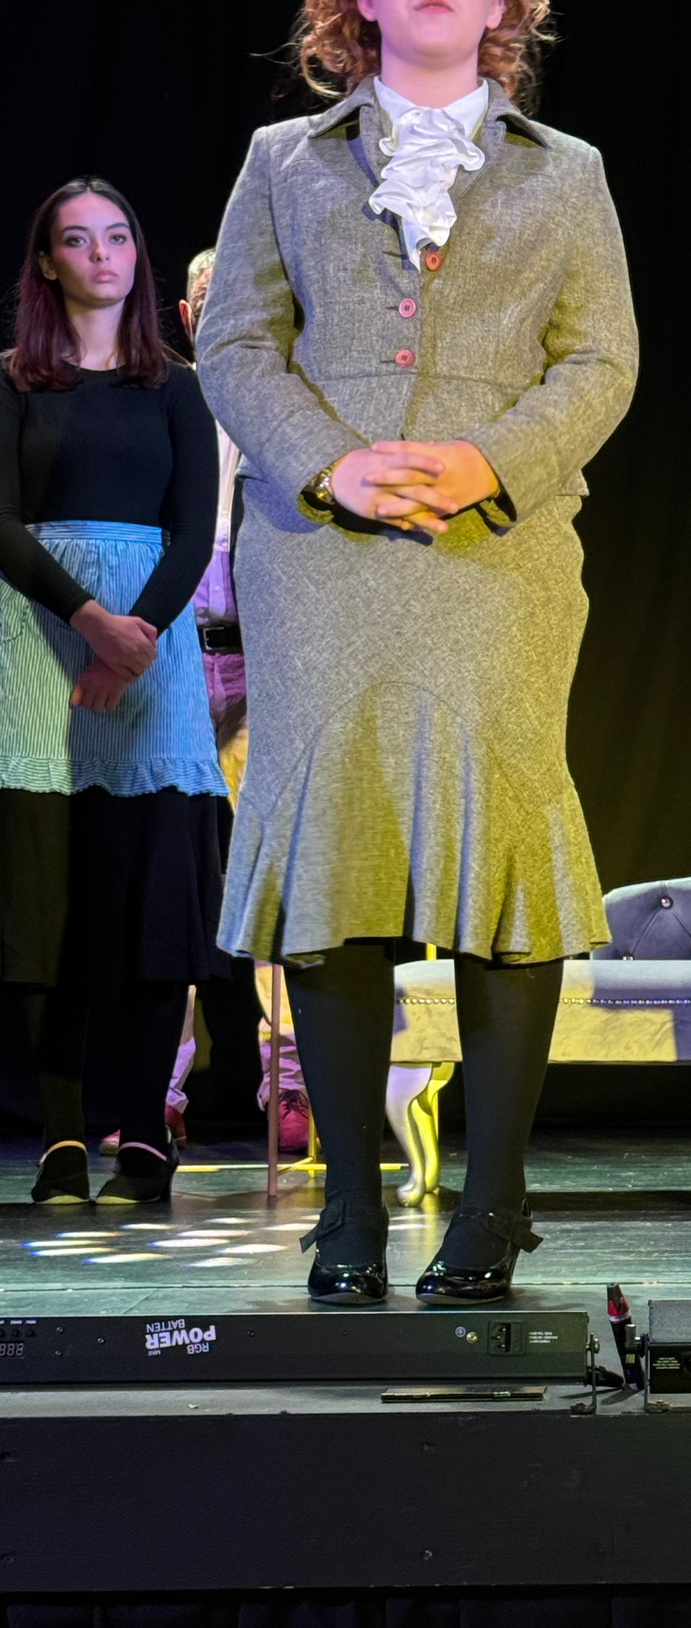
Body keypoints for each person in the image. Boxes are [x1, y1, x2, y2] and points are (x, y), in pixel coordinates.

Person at [198, 0, 638, 1305]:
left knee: (501, 865)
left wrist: (479, 460)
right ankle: (347, 1212)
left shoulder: (563, 171)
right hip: (323, 561)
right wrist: (332, 466)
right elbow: (240, 343)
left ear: (503, 2)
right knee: (341, 864)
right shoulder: (287, 160)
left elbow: (601, 361)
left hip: (498, 557)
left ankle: (493, 1206)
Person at [0, 178, 224, 1203]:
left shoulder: (174, 387)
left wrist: (130, 640)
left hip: (152, 650)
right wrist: (87, 623)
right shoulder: (14, 382)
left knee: (146, 902)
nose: (102, 254)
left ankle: (141, 1135)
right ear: (47, 263)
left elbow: (191, 527)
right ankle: (59, 1134)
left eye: (118, 236)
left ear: (138, 256)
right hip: (39, 642)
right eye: (77, 241)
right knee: (51, 900)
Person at [180, 249, 309, 1153]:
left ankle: (292, 1081)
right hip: (175, 662)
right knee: (168, 877)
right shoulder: (164, 404)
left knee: (283, 875)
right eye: (209, 303)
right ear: (190, 320)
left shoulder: (291, 409)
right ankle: (158, 1084)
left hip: (270, 665)